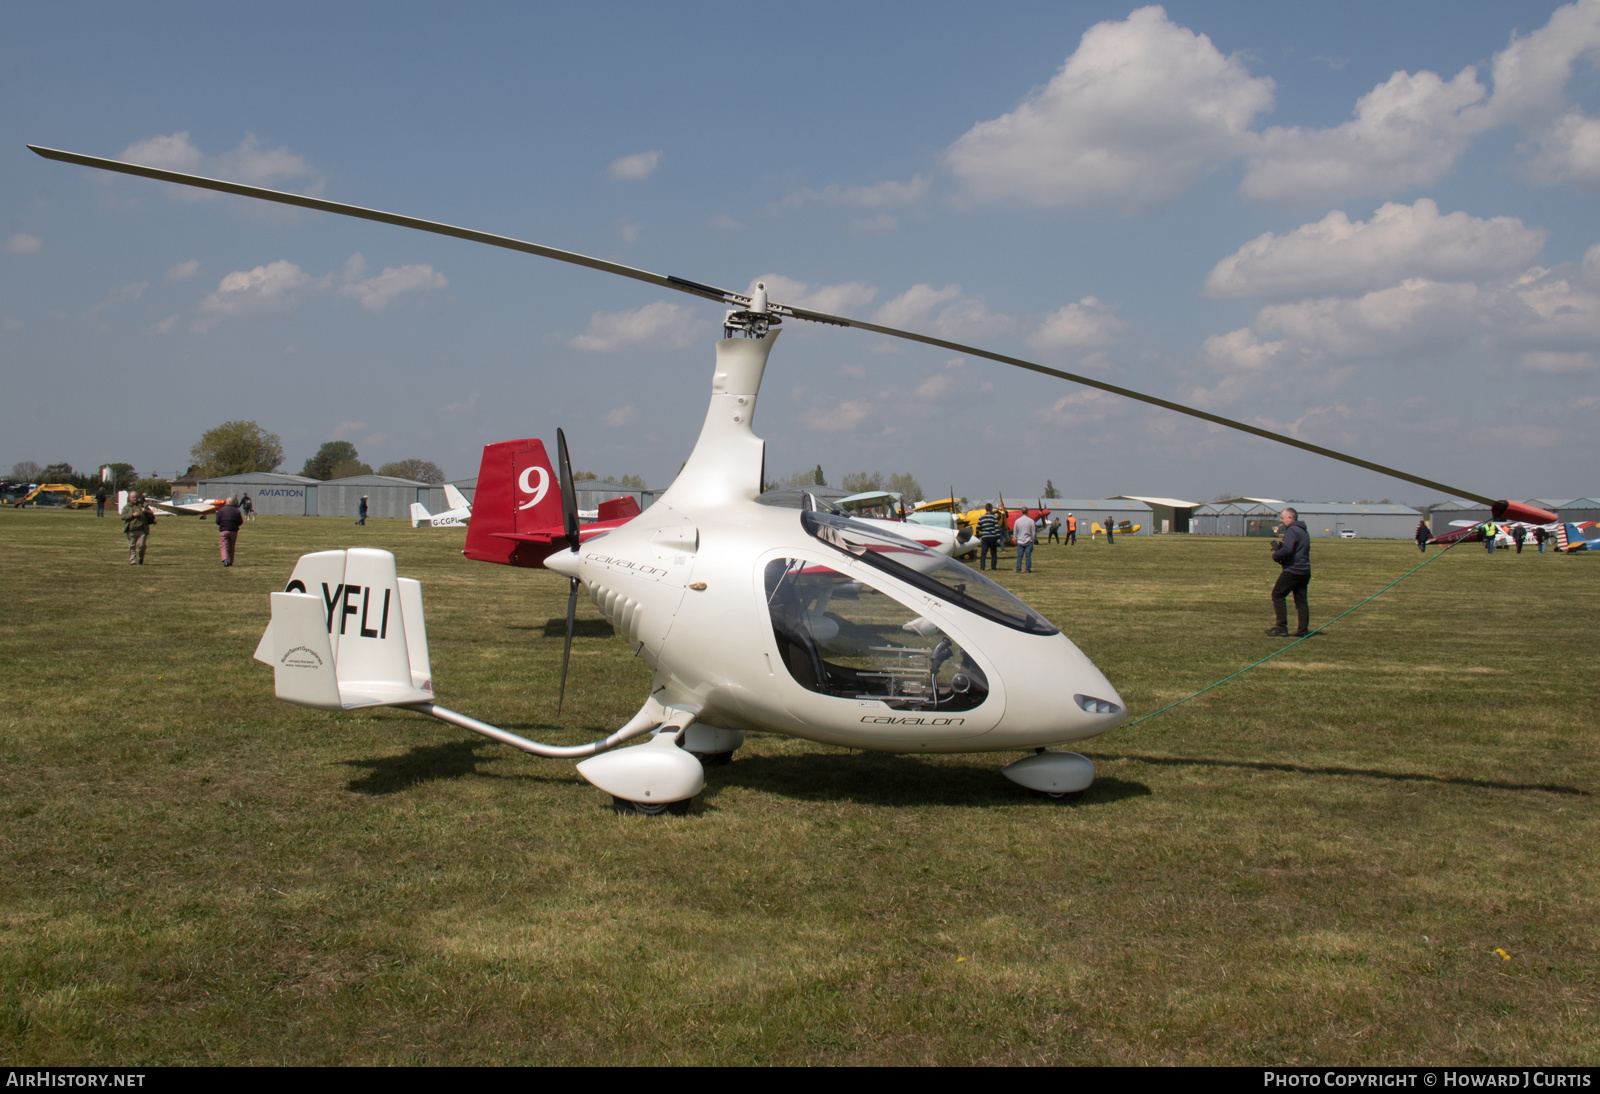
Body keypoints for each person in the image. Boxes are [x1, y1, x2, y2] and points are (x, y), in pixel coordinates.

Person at [1266, 506, 1311, 637]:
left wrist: (1276, 555)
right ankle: (1303, 631)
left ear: (1290, 518)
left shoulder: (1291, 530)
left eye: (1282, 518)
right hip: (1305, 571)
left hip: (1293, 570)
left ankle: (1281, 628)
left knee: (1277, 595)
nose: (1281, 520)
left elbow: (1288, 549)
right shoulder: (1304, 531)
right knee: (1301, 601)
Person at [119, 491, 155, 565]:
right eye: (133, 497)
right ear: (129, 498)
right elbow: (123, 517)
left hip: (142, 530)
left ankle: (141, 558)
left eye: (136, 497)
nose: (135, 498)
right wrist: (132, 515)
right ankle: (132, 561)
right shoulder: (127, 507)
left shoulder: (143, 505)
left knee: (142, 545)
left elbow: (152, 515)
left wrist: (146, 511)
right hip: (131, 530)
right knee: (132, 546)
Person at [216, 495, 243, 567]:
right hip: (233, 531)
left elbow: (217, 521)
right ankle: (230, 562)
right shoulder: (237, 511)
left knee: (224, 545)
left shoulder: (221, 510)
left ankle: (225, 559)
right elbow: (240, 522)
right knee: (232, 546)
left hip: (223, 530)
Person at [976, 503, 1002, 571]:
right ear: (991, 509)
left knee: (983, 553)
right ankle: (993, 567)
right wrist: (998, 538)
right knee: (993, 553)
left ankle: (982, 567)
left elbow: (978, 527)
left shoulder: (981, 518)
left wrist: (978, 535)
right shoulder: (994, 518)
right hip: (993, 537)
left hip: (985, 537)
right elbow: (997, 528)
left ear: (985, 509)